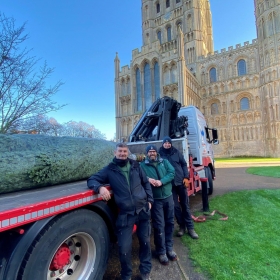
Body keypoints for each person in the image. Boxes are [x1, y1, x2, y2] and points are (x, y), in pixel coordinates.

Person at [87, 142, 153, 280]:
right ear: (115, 153)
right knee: (123, 248)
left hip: (142, 210)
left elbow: (146, 182)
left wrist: (150, 200)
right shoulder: (110, 169)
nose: (122, 153)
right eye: (120, 151)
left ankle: (145, 270)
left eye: (124, 151)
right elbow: (92, 179)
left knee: (145, 242)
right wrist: (100, 188)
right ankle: (126, 275)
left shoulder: (136, 165)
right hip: (126, 215)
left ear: (128, 152)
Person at [140, 144, 176, 266]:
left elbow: (172, 173)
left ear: (157, 152)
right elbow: (139, 176)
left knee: (170, 222)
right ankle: (161, 251)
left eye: (153, 151)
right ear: (146, 153)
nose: (152, 153)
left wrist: (161, 181)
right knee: (159, 225)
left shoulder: (164, 162)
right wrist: (148, 179)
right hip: (156, 200)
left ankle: (169, 248)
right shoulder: (142, 165)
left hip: (168, 197)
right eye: (149, 151)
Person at [159, 136, 199, 239]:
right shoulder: (160, 154)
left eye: (169, 143)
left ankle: (190, 228)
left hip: (181, 182)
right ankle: (182, 226)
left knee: (185, 205)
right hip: (169, 185)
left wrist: (186, 177)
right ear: (163, 144)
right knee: (175, 207)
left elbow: (183, 164)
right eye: (165, 143)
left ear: (171, 144)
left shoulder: (176, 152)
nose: (167, 144)